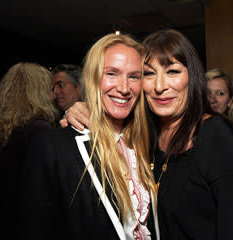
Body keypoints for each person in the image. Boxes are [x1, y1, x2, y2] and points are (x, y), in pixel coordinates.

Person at [63, 29, 233, 240]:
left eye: (172, 72)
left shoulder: (213, 136)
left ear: (193, 77)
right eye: (149, 74)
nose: (160, 87)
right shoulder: (142, 137)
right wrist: (85, 111)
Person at [21, 33, 159, 240]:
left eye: (133, 76)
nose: (124, 88)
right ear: (92, 78)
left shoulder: (150, 141)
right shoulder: (53, 147)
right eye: (111, 74)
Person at [0, 62, 58, 240]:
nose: (55, 94)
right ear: (37, 92)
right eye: (50, 88)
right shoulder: (40, 131)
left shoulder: (1, 128)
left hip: (1, 223)